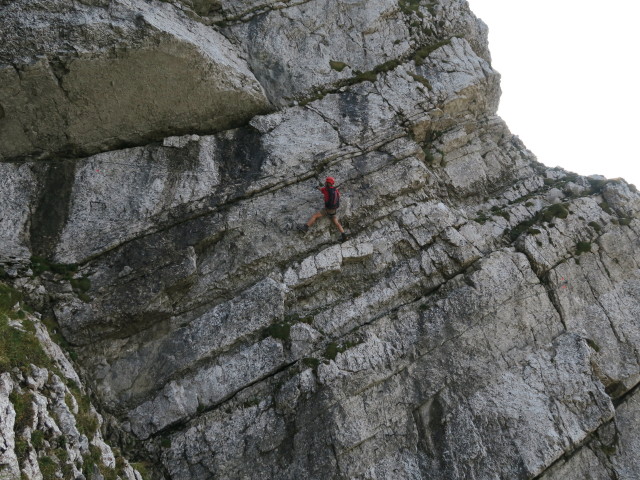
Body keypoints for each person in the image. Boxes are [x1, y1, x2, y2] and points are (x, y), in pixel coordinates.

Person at [298, 177, 347, 242]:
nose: (325, 183)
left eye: (326, 182)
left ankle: (305, 227)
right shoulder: (335, 190)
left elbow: (321, 190)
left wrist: (317, 187)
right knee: (336, 223)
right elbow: (339, 195)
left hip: (328, 210)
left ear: (327, 183)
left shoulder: (326, 190)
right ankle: (344, 236)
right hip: (334, 210)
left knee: (315, 216)